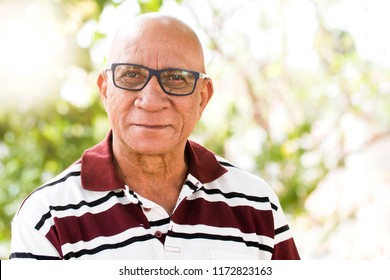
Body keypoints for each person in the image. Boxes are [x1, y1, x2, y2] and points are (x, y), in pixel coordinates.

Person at [9, 13, 300, 260]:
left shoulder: (255, 203)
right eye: (131, 75)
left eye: (176, 78)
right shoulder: (47, 218)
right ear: (105, 89)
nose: (151, 100)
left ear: (203, 97)